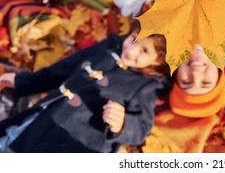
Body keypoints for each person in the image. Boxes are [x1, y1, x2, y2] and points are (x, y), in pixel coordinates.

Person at [0, 27, 170, 153]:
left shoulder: (147, 85)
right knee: (12, 144)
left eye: (145, 51)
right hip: (44, 119)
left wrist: (122, 124)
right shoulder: (110, 47)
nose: (131, 50)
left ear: (158, 61)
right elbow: (63, 69)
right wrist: (24, 82)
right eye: (134, 38)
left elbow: (142, 126)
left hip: (76, 143)